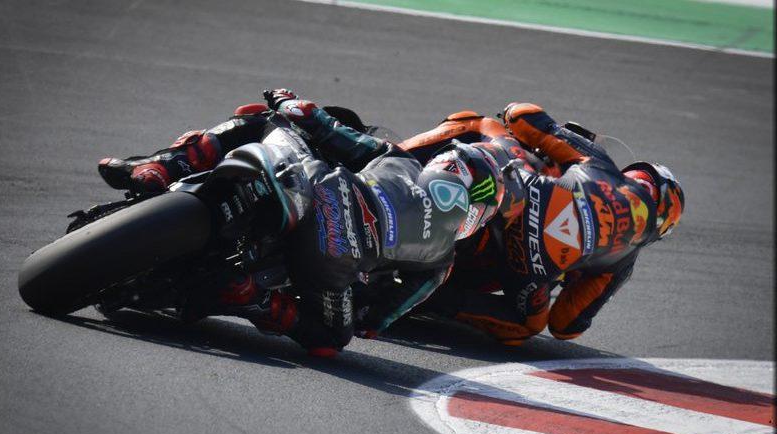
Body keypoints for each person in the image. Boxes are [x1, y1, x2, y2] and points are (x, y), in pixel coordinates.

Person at [96, 89, 513, 355]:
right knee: (331, 338)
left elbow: (327, 129)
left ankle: (161, 166)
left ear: (444, 164)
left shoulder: (400, 159)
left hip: (315, 184)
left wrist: (288, 102)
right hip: (335, 258)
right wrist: (363, 302)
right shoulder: (441, 262)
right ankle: (253, 298)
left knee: (261, 121)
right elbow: (377, 321)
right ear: (478, 216)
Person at [360, 103, 685, 346]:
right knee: (526, 325)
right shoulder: (621, 265)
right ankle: (419, 298)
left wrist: (512, 116)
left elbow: (522, 115)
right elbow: (565, 325)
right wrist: (571, 269)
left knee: (475, 122)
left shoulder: (602, 164)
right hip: (525, 265)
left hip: (517, 188)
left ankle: (385, 157)